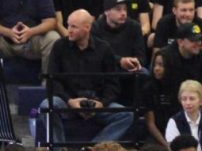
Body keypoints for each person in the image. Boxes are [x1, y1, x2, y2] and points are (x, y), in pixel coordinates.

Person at [40, 9, 135, 145]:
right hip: (68, 102)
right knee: (46, 106)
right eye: (68, 25)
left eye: (74, 26)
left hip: (96, 104)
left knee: (127, 115)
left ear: (87, 27)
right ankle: (59, 149)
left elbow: (112, 84)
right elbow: (53, 80)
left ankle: (93, 148)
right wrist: (70, 101)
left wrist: (101, 103)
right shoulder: (59, 46)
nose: (69, 30)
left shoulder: (104, 48)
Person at [160, 22, 202, 133]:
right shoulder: (166, 56)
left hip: (196, 99)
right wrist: (189, 96)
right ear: (180, 42)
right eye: (193, 40)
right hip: (172, 101)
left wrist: (194, 95)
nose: (198, 43)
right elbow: (166, 88)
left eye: (199, 40)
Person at [92, 0, 148, 102]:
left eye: (125, 10)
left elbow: (141, 56)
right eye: (118, 9)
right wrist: (120, 61)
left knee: (144, 73)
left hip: (129, 69)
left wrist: (134, 62)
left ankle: (142, 113)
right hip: (105, 70)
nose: (123, 13)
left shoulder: (134, 26)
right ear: (107, 11)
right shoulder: (96, 28)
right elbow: (97, 57)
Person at [165, 80, 202, 151]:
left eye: (192, 99)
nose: (187, 103)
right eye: (184, 99)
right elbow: (172, 148)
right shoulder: (174, 122)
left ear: (201, 101)